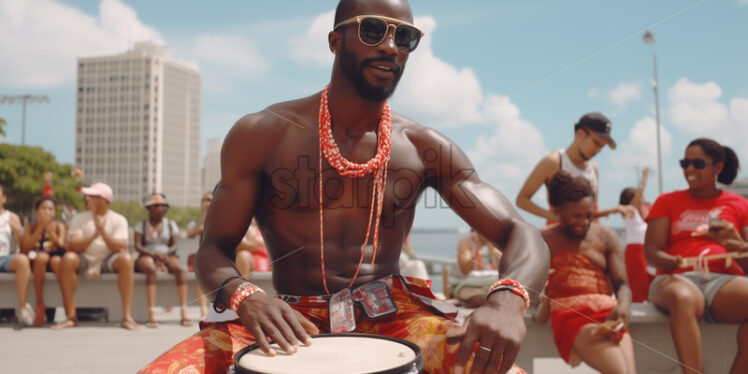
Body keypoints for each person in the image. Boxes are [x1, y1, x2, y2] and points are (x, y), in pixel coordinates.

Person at [141, 1, 549, 373]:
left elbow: (522, 233)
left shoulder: (424, 147)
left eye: (405, 37)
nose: (391, 46)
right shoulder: (262, 134)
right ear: (336, 41)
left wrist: (507, 300)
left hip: (396, 315)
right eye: (373, 30)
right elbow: (213, 249)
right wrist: (246, 298)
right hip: (282, 319)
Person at [645, 138, 748, 374]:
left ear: (718, 167)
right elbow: (651, 253)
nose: (689, 169)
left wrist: (734, 242)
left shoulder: (740, 205)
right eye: (685, 163)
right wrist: (674, 261)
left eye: (698, 163)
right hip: (676, 278)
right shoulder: (666, 201)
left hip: (723, 280)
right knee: (682, 299)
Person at [534, 171, 636, 373]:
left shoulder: (606, 236)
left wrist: (623, 305)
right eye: (577, 216)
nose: (585, 221)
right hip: (571, 317)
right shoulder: (544, 239)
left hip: (610, 315)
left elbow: (622, 283)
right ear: (557, 211)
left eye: (589, 215)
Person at [51, 182, 138, 330]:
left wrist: (103, 233)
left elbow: (122, 246)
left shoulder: (119, 219)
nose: (87, 199)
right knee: (68, 258)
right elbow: (72, 245)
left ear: (105, 200)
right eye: (87, 196)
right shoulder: (79, 218)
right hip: (85, 258)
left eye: (93, 196)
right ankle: (71, 316)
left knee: (126, 259)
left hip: (108, 259)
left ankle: (127, 317)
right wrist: (94, 235)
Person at [516, 112, 616, 223]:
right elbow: (522, 200)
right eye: (596, 143)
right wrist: (556, 218)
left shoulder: (594, 168)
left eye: (602, 146)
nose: (598, 150)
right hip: (557, 236)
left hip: (586, 236)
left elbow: (592, 210)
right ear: (580, 134)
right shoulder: (554, 161)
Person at [133, 193, 191, 328]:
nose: (161, 208)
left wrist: (167, 253)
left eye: (164, 206)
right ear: (149, 208)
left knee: (180, 269)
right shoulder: (141, 225)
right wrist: (153, 255)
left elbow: (174, 245)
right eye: (157, 206)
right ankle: (152, 314)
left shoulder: (170, 224)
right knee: (150, 269)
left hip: (166, 255)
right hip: (147, 255)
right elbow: (137, 246)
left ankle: (184, 312)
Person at [609, 167, 654, 302]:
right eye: (638, 199)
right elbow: (638, 197)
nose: (641, 201)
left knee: (647, 283)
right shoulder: (629, 213)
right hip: (636, 253)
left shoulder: (640, 216)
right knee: (638, 285)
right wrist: (644, 178)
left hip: (645, 252)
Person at [20, 196, 67, 325]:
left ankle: (66, 304)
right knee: (41, 258)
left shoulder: (59, 226)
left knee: (56, 261)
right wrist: (40, 227)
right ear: (37, 211)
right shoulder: (31, 226)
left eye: (50, 209)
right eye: (44, 208)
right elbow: (25, 247)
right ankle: (40, 304)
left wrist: (49, 229)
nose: (47, 212)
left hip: (55, 263)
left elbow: (61, 244)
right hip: (37, 264)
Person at [0, 184, 34, 325]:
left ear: (4, 198)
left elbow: (21, 245)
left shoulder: (12, 217)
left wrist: (17, 231)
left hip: (5, 257)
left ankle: (22, 309)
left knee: (22, 260)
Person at [452, 230, 503, 307]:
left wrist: (492, 249)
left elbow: (504, 269)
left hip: (493, 283)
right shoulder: (466, 242)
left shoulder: (497, 243)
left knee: (502, 297)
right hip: (471, 285)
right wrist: (476, 251)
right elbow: (465, 271)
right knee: (482, 299)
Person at [186, 191, 213, 320]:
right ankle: (203, 310)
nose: (207, 202)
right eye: (205, 200)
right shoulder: (197, 222)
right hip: (203, 257)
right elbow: (190, 233)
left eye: (210, 199)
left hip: (218, 255)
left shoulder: (222, 219)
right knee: (201, 270)